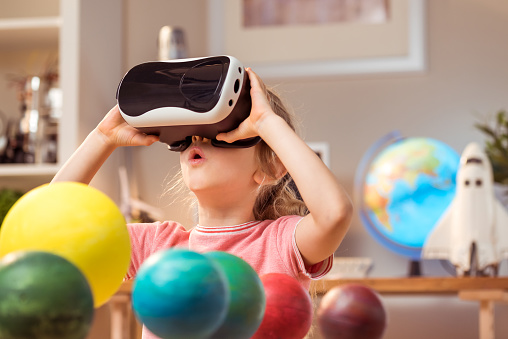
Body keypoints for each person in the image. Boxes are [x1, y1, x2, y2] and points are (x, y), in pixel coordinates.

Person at [52, 67, 352, 338]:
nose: (198, 139)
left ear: (271, 168)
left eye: (221, 133)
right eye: (186, 135)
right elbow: (50, 229)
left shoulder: (281, 243)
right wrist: (102, 138)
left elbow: (335, 214)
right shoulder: (156, 246)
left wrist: (265, 122)